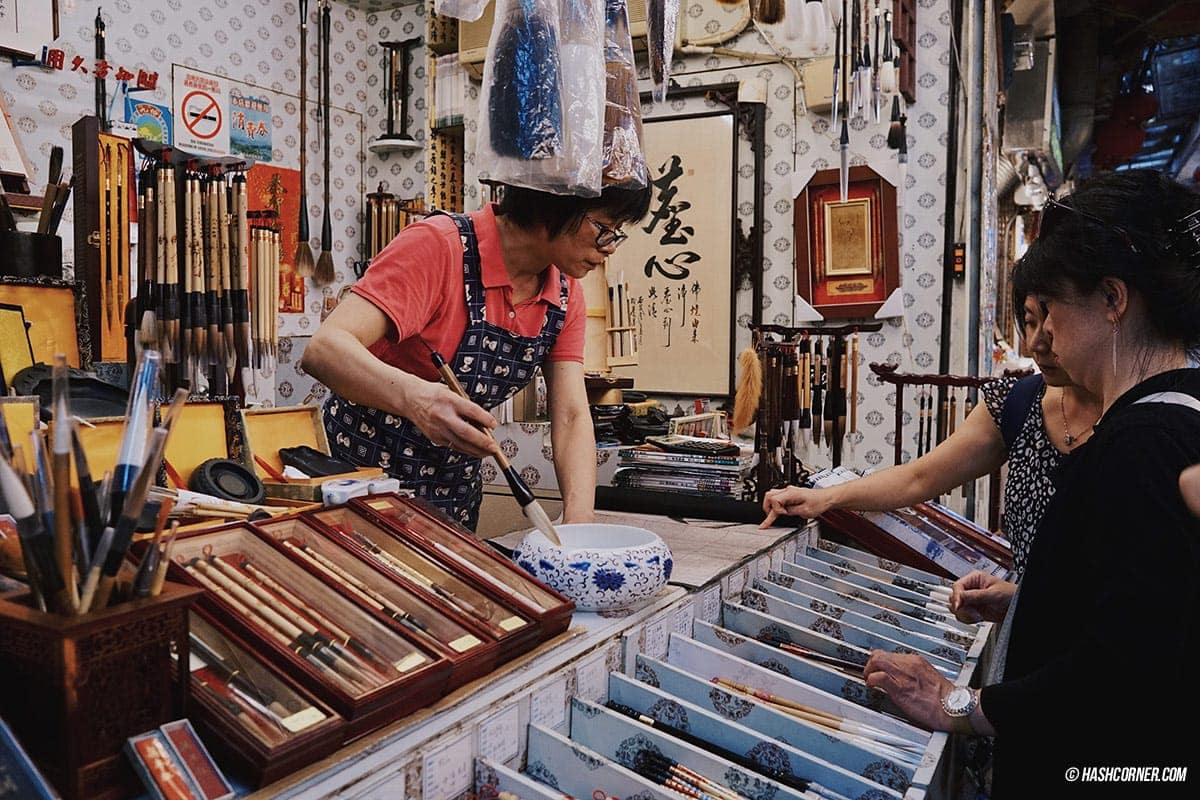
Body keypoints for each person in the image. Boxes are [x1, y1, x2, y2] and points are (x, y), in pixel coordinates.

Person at [863, 169, 1200, 797]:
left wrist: (955, 705)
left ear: (1112, 299)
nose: (1042, 336)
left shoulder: (1140, 442)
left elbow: (1121, 668)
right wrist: (1035, 597)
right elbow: (1158, 603)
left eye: (1052, 310)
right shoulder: (1185, 408)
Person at [302, 183, 651, 531]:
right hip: (358, 484)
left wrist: (579, 523)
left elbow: (572, 416)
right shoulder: (440, 245)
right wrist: (417, 399)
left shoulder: (564, 295)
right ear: (555, 202)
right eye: (603, 229)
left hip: (452, 498)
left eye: (616, 234)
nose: (609, 248)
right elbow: (324, 349)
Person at [760, 296, 1103, 581]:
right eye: (1029, 322)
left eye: (1051, 324)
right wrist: (825, 498)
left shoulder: (1139, 423)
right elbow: (918, 478)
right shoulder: (1017, 403)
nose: (1036, 344)